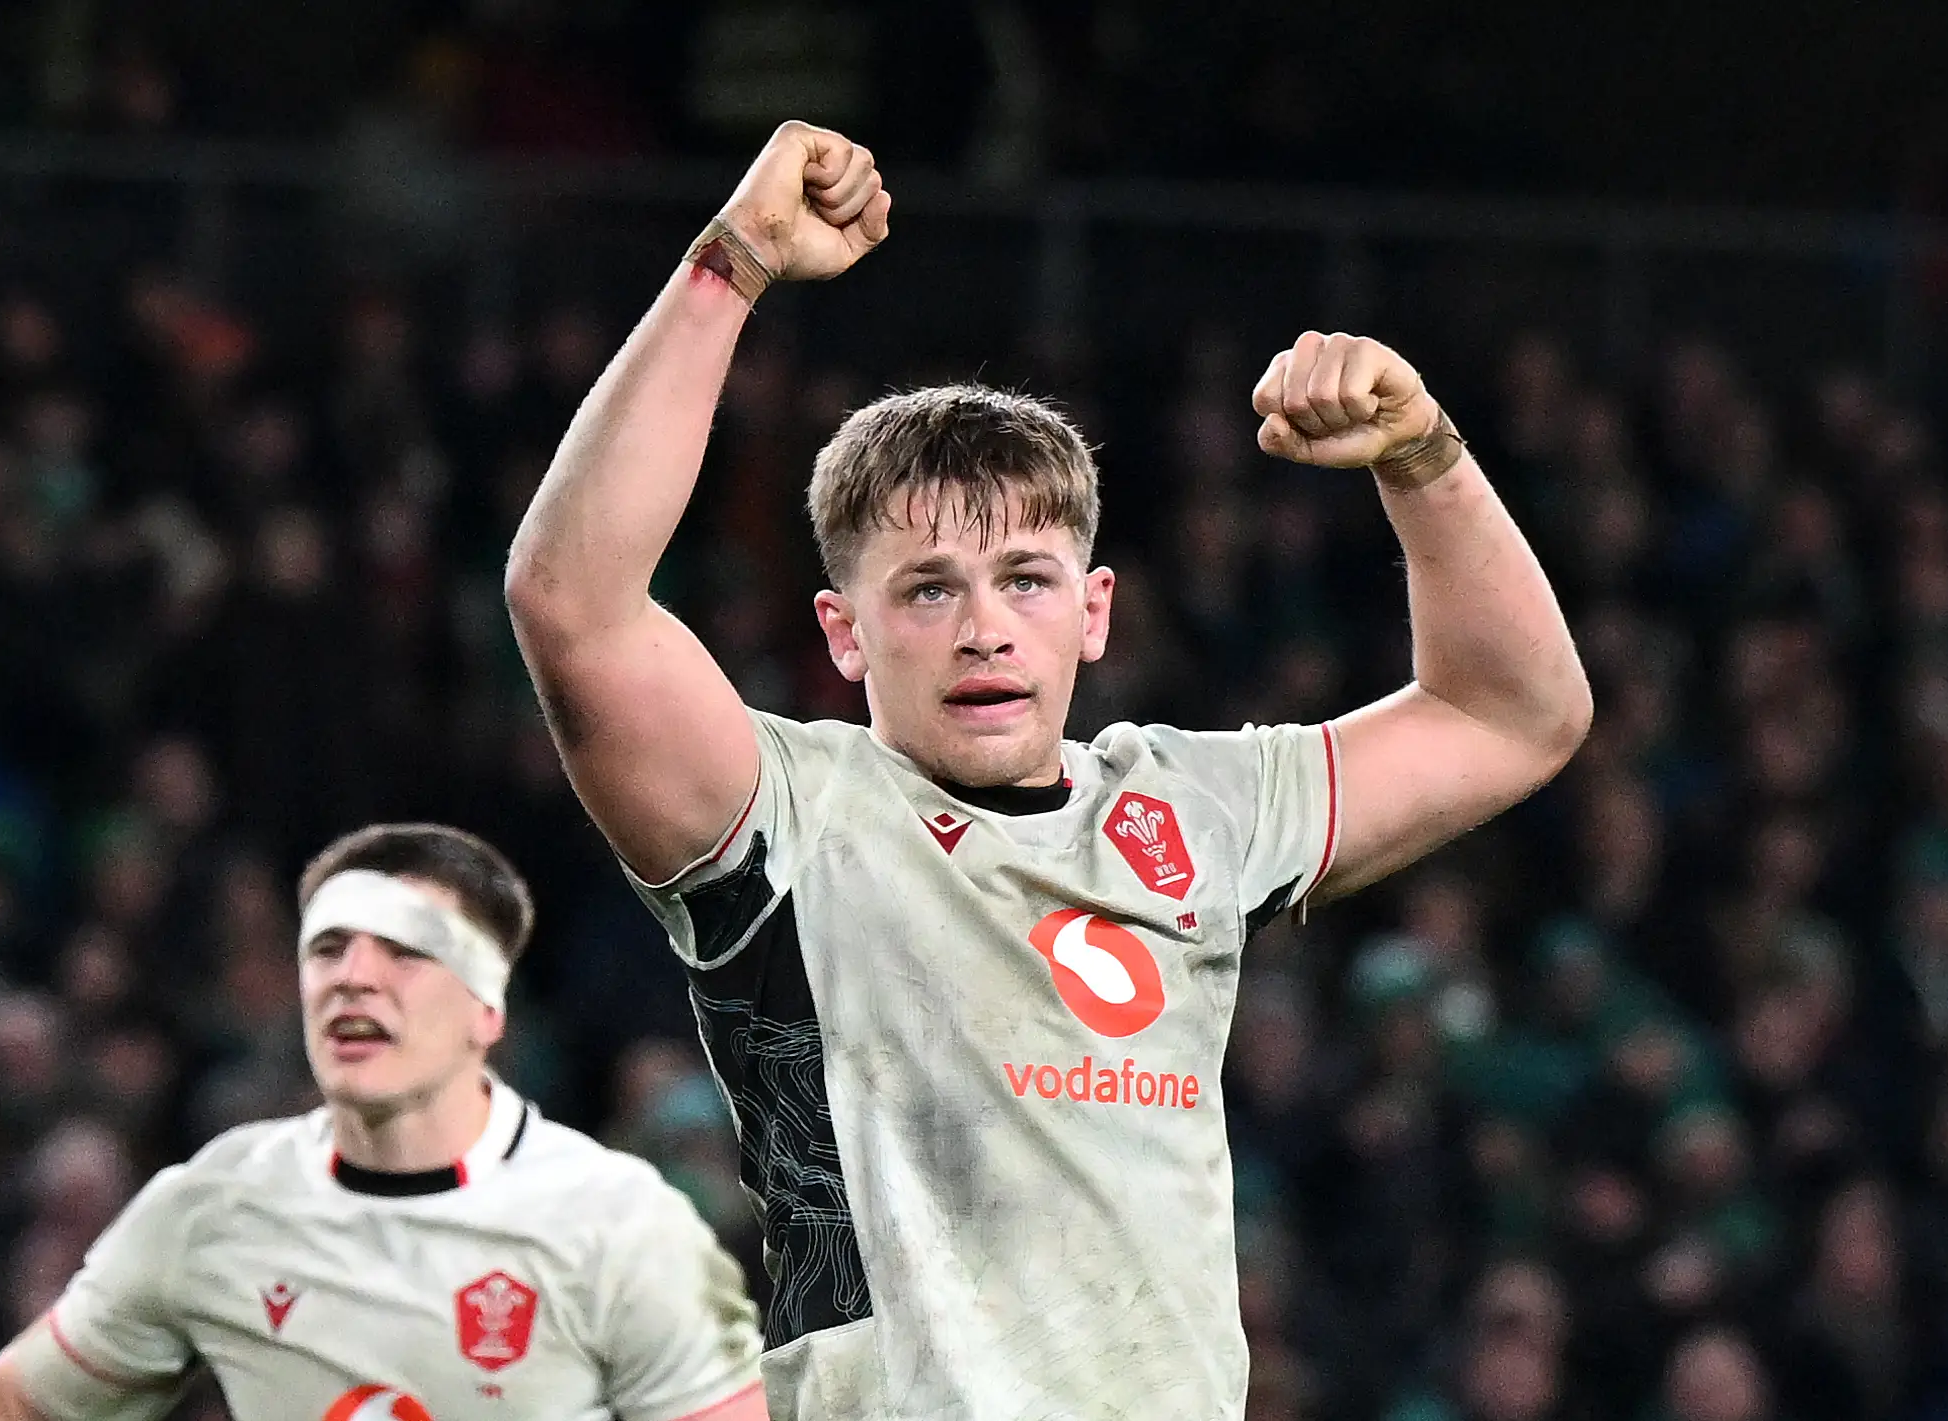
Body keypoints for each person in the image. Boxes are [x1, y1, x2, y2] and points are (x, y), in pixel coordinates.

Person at [505, 120, 1592, 1420]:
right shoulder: (783, 822)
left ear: (1093, 610)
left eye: (1025, 579)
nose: (983, 626)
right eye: (926, 590)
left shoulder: (1194, 808)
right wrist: (729, 264)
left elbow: (1515, 711)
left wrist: (1426, 460)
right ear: (842, 635)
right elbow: (569, 604)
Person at [0, 823, 767, 1421]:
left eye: (405, 950)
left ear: (487, 1010)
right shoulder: (214, 1207)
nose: (354, 977)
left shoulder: (617, 1221)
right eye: (329, 947)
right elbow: (12, 1403)